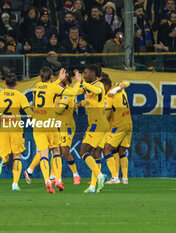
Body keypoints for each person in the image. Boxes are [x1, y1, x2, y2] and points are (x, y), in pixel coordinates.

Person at [32, 67, 80, 193]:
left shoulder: (36, 86)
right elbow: (73, 92)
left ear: (40, 77)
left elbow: (46, 88)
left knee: (43, 155)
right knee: (56, 151)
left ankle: (47, 180)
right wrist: (78, 82)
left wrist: (58, 80)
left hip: (37, 124)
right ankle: (58, 179)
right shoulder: (54, 87)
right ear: (51, 77)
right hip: (50, 123)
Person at [0, 73, 32, 191]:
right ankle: (15, 184)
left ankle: (0, 161)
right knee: (17, 156)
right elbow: (29, 113)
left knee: (3, 155)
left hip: (2, 128)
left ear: (5, 83)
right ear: (16, 83)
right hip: (16, 128)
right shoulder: (20, 96)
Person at [69, 65, 109, 193]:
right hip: (100, 124)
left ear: (92, 73)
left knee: (83, 151)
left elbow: (96, 91)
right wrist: (76, 84)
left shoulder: (99, 85)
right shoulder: (88, 87)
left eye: (86, 73)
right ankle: (93, 186)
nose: (84, 75)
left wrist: (83, 83)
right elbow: (76, 92)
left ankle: (100, 175)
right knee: (96, 154)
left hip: (97, 124)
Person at [99, 75, 132, 185]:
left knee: (106, 149)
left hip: (119, 125)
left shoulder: (109, 95)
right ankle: (125, 178)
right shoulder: (118, 86)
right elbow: (127, 82)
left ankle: (114, 177)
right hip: (129, 123)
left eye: (102, 88)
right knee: (122, 151)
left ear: (106, 86)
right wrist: (117, 88)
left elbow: (107, 114)